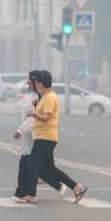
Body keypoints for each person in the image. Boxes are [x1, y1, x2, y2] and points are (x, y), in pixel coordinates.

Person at [21, 70, 88, 204]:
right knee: (49, 167)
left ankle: (31, 194)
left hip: (45, 138)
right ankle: (75, 186)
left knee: (32, 164)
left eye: (36, 83)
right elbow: (43, 112)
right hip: (46, 137)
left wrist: (34, 114)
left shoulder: (50, 97)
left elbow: (46, 117)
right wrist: (35, 106)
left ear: (40, 83)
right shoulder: (45, 97)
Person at [12, 71, 66, 202]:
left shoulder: (42, 98)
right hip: (33, 137)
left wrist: (21, 130)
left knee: (34, 167)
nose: (28, 83)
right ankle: (23, 193)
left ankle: (28, 194)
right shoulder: (36, 97)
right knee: (31, 166)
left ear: (38, 83)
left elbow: (34, 119)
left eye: (30, 81)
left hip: (37, 136)